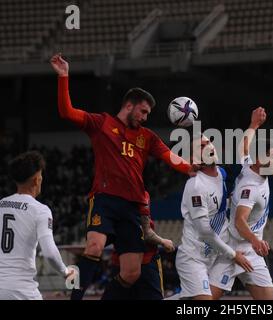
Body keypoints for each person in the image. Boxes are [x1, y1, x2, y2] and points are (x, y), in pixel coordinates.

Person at [50, 53, 197, 300]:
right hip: (105, 199)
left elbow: (169, 156)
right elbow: (67, 112)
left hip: (133, 207)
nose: (145, 117)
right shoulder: (101, 124)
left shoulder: (147, 136)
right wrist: (64, 76)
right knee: (94, 246)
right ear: (129, 105)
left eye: (148, 113)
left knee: (131, 273)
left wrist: (190, 167)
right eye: (143, 111)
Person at [209, 107, 273, 300]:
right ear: (260, 159)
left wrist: (254, 124)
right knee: (201, 302)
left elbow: (243, 146)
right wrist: (256, 240)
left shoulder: (250, 165)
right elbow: (240, 221)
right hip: (233, 249)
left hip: (251, 252)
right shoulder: (250, 189)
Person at [175, 134, 253, 300]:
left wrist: (253, 126)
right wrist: (233, 255)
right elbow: (205, 233)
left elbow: (242, 157)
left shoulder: (222, 174)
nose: (209, 146)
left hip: (216, 256)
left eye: (209, 142)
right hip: (193, 258)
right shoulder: (196, 186)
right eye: (202, 146)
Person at [0, 151, 74, 300]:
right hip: (22, 290)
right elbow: (50, 253)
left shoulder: (1, 204)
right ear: (36, 180)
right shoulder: (40, 210)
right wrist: (66, 272)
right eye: (41, 176)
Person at [107, 191, 175, 300]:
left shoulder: (107, 198)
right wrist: (163, 242)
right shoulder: (140, 194)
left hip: (121, 262)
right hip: (145, 261)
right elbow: (147, 234)